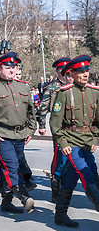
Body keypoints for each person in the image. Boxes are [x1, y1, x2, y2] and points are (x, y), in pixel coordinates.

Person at [0, 52, 36, 213]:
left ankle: (6, 202)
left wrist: (31, 129)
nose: (11, 70)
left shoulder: (24, 86)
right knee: (12, 167)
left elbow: (31, 111)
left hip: (20, 136)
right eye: (7, 67)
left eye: (13, 67)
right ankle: (24, 197)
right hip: (2, 136)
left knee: (11, 168)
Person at [50, 55, 99, 227]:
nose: (85, 74)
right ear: (72, 73)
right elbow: (55, 124)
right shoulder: (64, 93)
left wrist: (95, 139)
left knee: (73, 176)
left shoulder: (95, 92)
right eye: (81, 71)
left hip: (87, 142)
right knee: (87, 175)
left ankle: (60, 214)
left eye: (87, 71)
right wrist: (62, 144)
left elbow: (98, 122)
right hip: (71, 143)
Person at [36, 57, 71, 203]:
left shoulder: (74, 85)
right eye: (61, 70)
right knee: (60, 158)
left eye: (66, 70)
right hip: (59, 126)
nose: (64, 73)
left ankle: (65, 186)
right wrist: (42, 125)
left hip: (74, 127)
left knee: (72, 159)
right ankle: (56, 188)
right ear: (57, 71)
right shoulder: (52, 87)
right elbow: (43, 107)